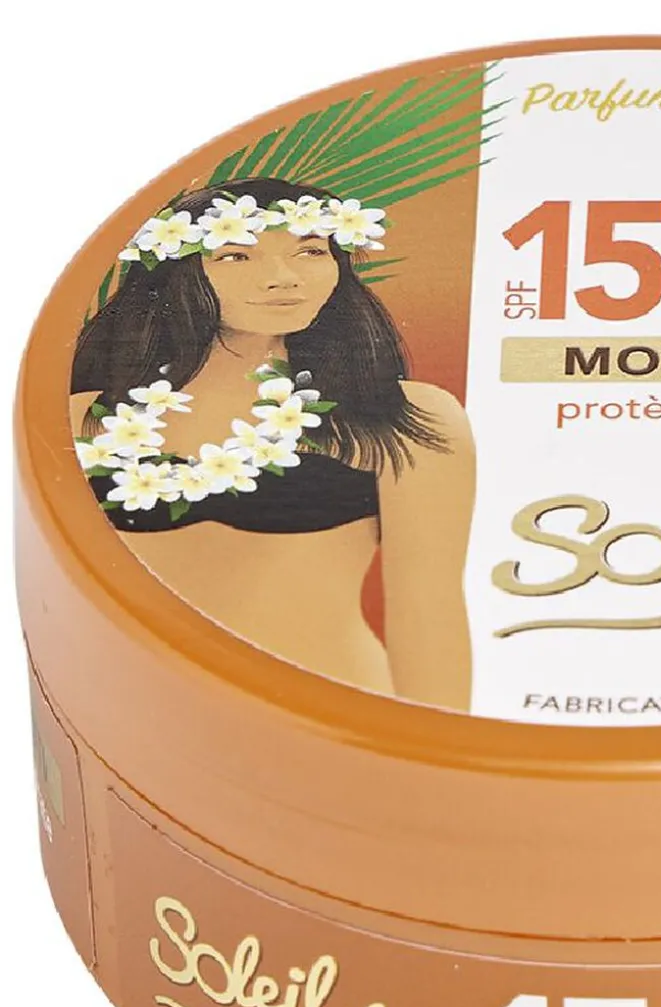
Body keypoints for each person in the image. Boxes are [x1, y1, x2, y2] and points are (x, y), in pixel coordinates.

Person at [70, 178, 475, 711]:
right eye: (237, 255)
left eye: (310, 251)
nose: (283, 277)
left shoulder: (404, 416)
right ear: (179, 273)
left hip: (334, 714)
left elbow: (429, 609)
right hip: (135, 711)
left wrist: (431, 751)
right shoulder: (84, 419)